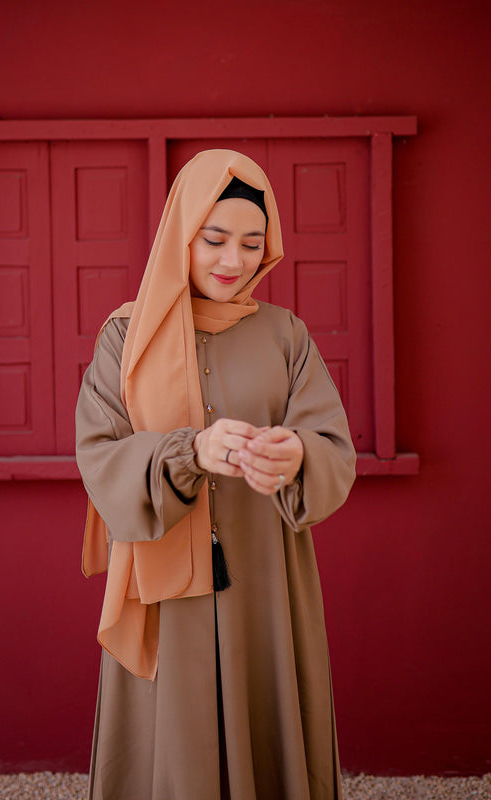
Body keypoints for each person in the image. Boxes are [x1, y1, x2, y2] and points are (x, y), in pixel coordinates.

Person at [75, 149, 356, 800]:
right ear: (182, 232)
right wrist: (187, 454)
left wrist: (298, 456)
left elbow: (331, 446)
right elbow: (99, 455)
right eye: (215, 238)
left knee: (268, 713)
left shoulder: (286, 335)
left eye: (252, 244)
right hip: (164, 588)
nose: (234, 261)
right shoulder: (125, 337)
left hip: (264, 579)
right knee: (172, 742)